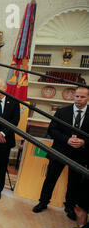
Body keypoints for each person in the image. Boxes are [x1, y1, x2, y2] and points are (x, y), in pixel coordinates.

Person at [32, 87, 89, 220]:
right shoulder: (62, 112)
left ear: (87, 98)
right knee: (50, 178)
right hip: (60, 151)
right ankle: (43, 202)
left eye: (82, 97)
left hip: (80, 154)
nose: (79, 99)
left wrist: (83, 142)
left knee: (74, 182)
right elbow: (52, 129)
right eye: (77, 96)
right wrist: (67, 139)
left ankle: (69, 206)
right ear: (73, 96)